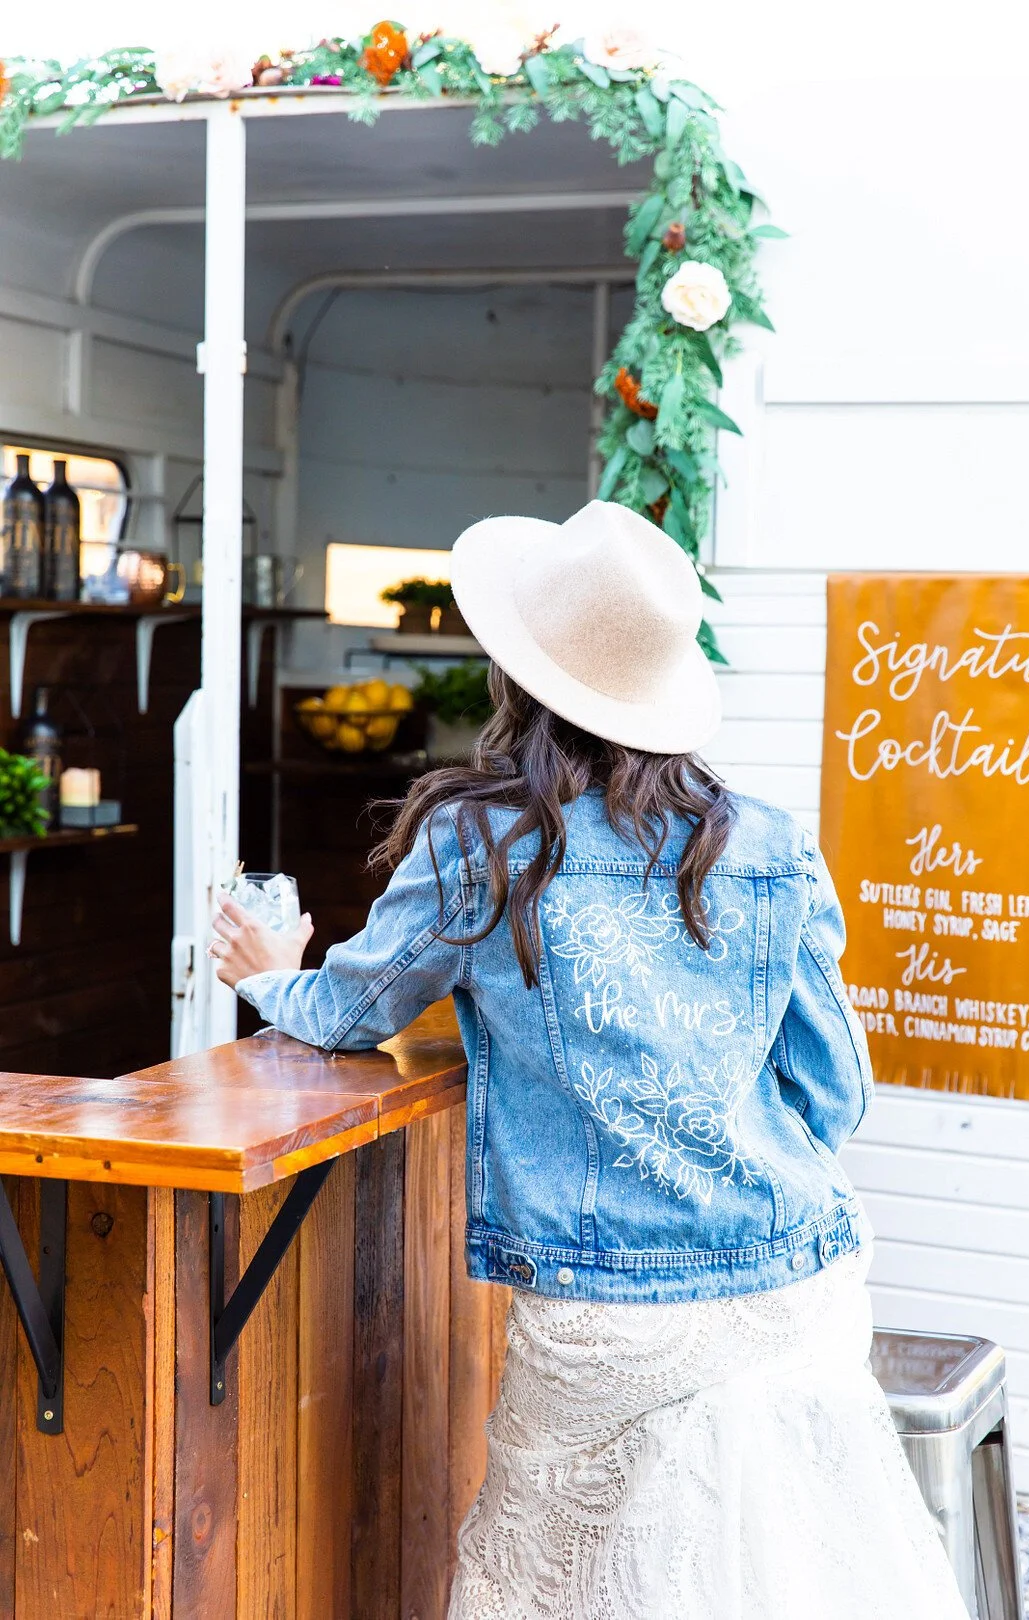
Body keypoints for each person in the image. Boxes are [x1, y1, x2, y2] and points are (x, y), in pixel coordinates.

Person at [210, 500, 971, 1620]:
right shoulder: (767, 842)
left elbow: (354, 1010)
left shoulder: (482, 841)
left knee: (549, 1587)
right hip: (795, 1279)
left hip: (610, 1314)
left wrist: (268, 969)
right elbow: (833, 1095)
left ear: (519, 680)